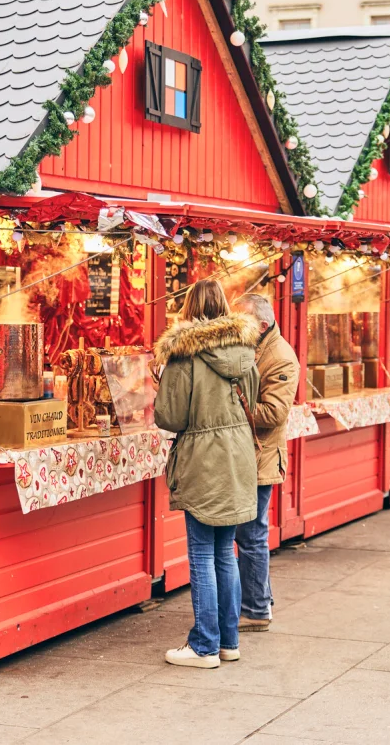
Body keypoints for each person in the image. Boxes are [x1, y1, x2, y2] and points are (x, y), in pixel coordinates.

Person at [154, 279, 260, 669]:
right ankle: (228, 641)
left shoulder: (184, 355)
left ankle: (204, 645)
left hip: (202, 458)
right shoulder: (246, 350)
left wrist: (159, 384)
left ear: (189, 310)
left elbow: (170, 416)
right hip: (237, 457)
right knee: (225, 553)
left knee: (201, 552)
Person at [234, 294, 299, 632]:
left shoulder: (282, 357)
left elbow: (273, 414)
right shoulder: (254, 344)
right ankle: (259, 603)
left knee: (252, 535)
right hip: (246, 455)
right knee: (249, 534)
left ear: (261, 325)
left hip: (260, 459)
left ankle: (256, 610)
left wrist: (230, 406)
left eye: (241, 320)